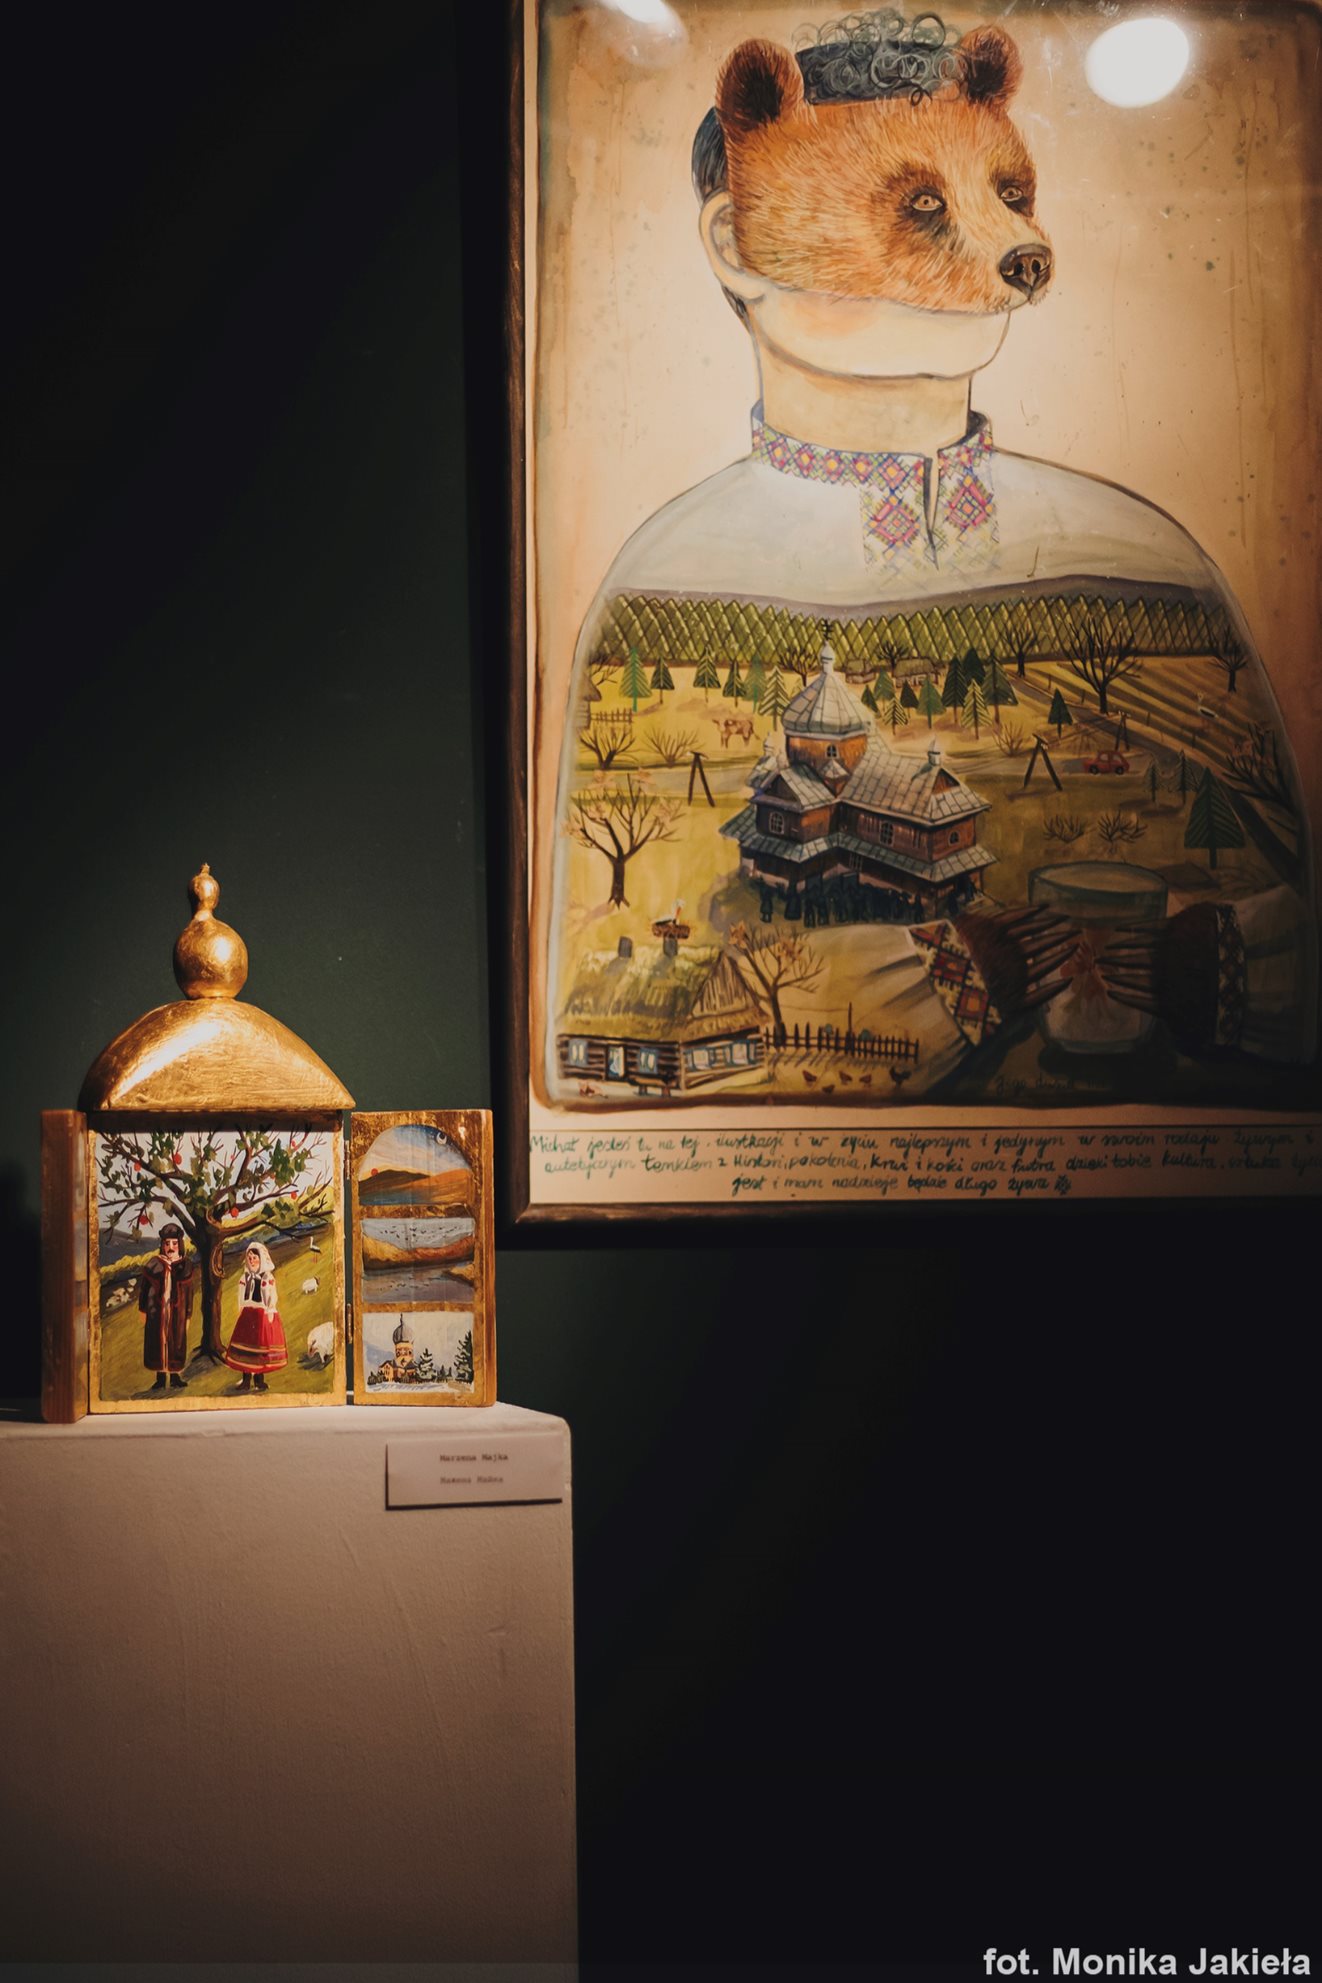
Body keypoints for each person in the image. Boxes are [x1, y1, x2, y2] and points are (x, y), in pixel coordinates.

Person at [544, 9, 1315, 1105]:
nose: (1014, 245)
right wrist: (936, 984)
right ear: (736, 241)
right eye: (921, 207)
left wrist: (1224, 971)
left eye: (1009, 195)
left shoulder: (1151, 560)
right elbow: (600, 1007)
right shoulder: (663, 574)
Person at [223, 1241, 288, 1393]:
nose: (252, 1261)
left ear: (261, 1259)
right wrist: (241, 1309)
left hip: (262, 1316)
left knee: (260, 1348)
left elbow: (272, 1296)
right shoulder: (244, 1278)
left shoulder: (267, 1277)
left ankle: (259, 1380)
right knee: (246, 1348)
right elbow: (241, 1296)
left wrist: (270, 1310)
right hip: (247, 1315)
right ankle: (246, 1380)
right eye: (250, 1258)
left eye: (255, 1258)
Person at [138, 1222, 194, 1391]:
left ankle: (175, 1377)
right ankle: (160, 1379)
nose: (170, 1247)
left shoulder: (186, 1265)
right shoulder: (154, 1264)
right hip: (157, 1312)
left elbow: (189, 1293)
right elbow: (144, 1290)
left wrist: (188, 1314)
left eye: (174, 1243)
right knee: (158, 1341)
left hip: (177, 1313)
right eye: (167, 1243)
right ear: (162, 1245)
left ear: (180, 1244)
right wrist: (143, 1310)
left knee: (176, 1342)